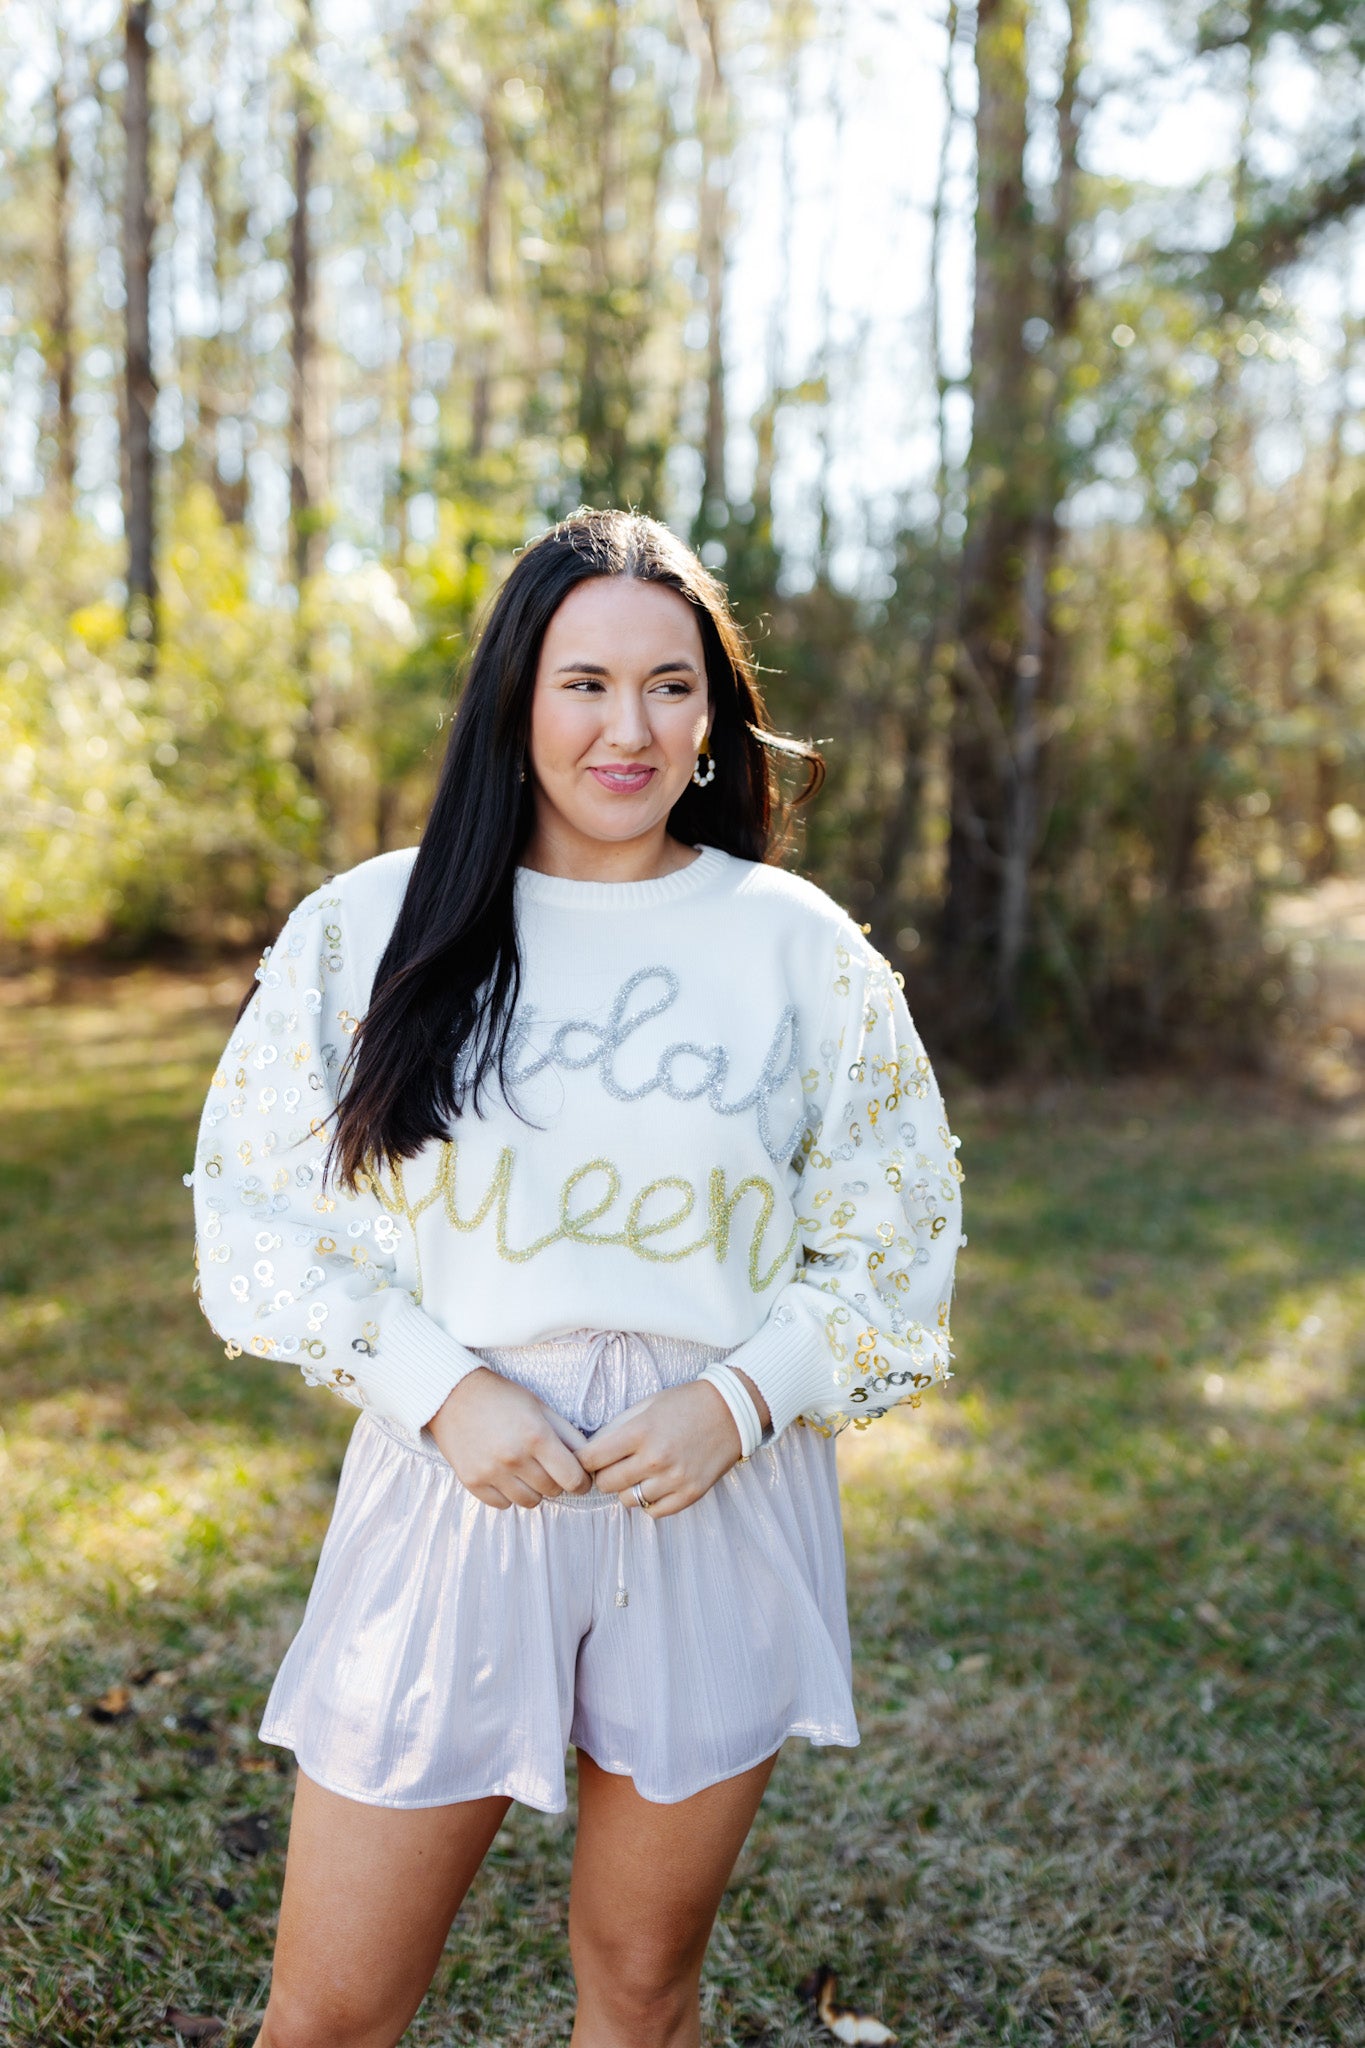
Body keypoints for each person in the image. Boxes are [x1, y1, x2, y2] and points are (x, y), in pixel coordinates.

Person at [190, 508, 964, 2048]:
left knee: (638, 1990)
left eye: (670, 686)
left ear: (713, 718)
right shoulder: (375, 924)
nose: (629, 727)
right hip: (459, 1481)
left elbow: (896, 1239)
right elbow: (255, 1214)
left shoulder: (795, 946)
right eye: (584, 683)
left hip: (709, 1494)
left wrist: (741, 1402)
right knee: (329, 2013)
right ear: (515, 704)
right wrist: (441, 1390)